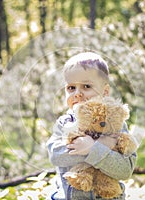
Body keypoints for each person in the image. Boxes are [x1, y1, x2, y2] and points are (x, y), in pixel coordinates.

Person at [46, 52, 136, 199]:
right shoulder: (65, 123)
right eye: (71, 88)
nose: (77, 94)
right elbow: (55, 155)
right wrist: (95, 146)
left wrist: (94, 149)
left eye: (86, 86)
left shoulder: (115, 124)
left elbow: (125, 170)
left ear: (105, 92)